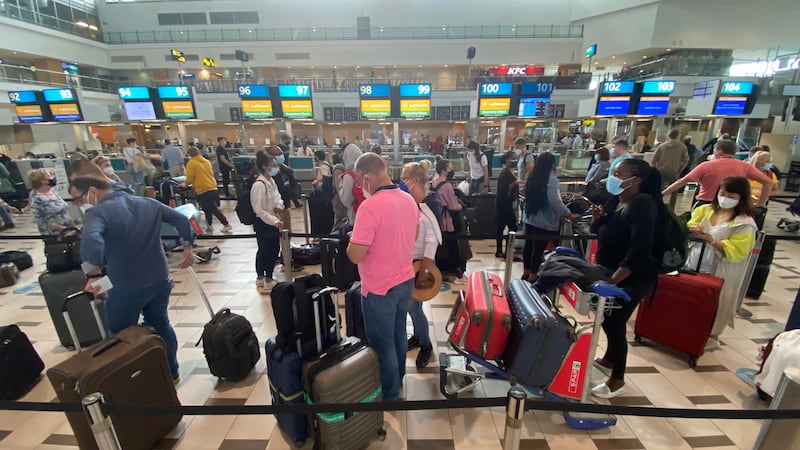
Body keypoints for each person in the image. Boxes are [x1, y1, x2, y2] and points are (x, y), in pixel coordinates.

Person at [71, 176, 194, 384]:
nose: (78, 204)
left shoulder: (97, 212)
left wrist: (93, 275)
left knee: (121, 334)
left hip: (123, 283)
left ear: (93, 190)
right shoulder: (148, 203)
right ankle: (171, 371)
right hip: (159, 277)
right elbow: (181, 219)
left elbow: (92, 240)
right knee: (162, 324)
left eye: (78, 198)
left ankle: (134, 380)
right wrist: (187, 247)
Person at [347, 153, 418, 401]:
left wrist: (350, 243)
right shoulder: (408, 200)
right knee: (399, 332)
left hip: (380, 289)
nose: (358, 186)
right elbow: (414, 234)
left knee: (382, 343)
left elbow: (356, 255)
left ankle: (388, 394)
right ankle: (396, 380)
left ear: (367, 177)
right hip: (405, 281)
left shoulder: (370, 207)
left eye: (358, 181)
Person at [590, 159, 662, 398]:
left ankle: (617, 380)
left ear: (636, 179)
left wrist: (614, 282)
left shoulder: (643, 205)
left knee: (614, 323)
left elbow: (639, 250)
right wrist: (600, 219)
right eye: (613, 172)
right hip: (614, 272)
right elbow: (603, 232)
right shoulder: (619, 200)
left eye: (619, 173)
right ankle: (609, 360)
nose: (613, 177)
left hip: (633, 277)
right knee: (607, 318)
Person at [685, 177, 757, 349]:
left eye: (730, 195)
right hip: (695, 261)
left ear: (741, 197)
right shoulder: (705, 210)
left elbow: (738, 250)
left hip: (720, 268)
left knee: (716, 303)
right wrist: (693, 230)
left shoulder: (744, 223)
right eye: (722, 193)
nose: (724, 198)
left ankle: (710, 336)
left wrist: (712, 240)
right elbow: (690, 224)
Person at [401, 160, 442, 368]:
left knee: (413, 307)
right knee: (413, 306)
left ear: (413, 181)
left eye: (403, 178)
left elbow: (432, 240)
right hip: (409, 264)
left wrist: (425, 269)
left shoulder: (429, 205)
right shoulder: (412, 203)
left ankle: (425, 344)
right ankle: (418, 336)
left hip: (421, 265)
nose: (400, 183)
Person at [662, 140, 774, 209]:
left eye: (714, 150)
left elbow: (682, 182)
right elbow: (768, 182)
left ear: (719, 151)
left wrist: (663, 193)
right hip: (733, 206)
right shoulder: (745, 166)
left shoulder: (705, 166)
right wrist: (760, 203)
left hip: (706, 204)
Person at [521, 152, 579, 282]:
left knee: (529, 246)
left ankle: (526, 272)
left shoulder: (532, 176)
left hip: (530, 218)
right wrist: (568, 213)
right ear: (552, 164)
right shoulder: (551, 180)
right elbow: (556, 201)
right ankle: (533, 276)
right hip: (544, 221)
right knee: (538, 249)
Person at [250, 151, 284, 291]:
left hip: (273, 220)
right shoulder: (259, 185)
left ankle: (269, 275)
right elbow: (258, 209)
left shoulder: (271, 181)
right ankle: (262, 276)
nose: (276, 167)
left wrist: (278, 206)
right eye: (273, 165)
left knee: (274, 249)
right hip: (263, 222)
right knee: (264, 250)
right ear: (264, 166)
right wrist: (273, 220)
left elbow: (278, 197)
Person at [431, 158, 467, 283]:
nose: (452, 171)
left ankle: (435, 268)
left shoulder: (434, 182)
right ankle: (457, 268)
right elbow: (453, 206)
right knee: (452, 245)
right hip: (448, 220)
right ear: (444, 171)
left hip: (437, 217)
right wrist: (461, 206)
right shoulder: (447, 185)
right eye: (450, 169)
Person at [184, 146, 232, 234]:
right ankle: (209, 225)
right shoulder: (207, 162)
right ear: (199, 152)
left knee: (212, 208)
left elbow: (189, 178)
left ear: (190, 155)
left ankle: (226, 224)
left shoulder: (191, 163)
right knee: (207, 208)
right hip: (212, 187)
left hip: (202, 189)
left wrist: (184, 185)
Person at [28, 168, 73, 235]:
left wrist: (72, 227)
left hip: (67, 230)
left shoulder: (53, 192)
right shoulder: (37, 198)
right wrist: (59, 228)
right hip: (54, 234)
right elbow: (37, 220)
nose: (53, 177)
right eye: (49, 175)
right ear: (43, 181)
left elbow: (64, 210)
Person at [651, 129, 688, 210]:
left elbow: (653, 160)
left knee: (659, 192)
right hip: (674, 172)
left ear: (668, 135)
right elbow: (686, 160)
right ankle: (671, 209)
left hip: (661, 171)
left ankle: (658, 207)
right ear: (678, 135)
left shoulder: (661, 146)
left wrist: (656, 170)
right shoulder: (682, 147)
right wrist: (679, 170)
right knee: (674, 192)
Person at [495, 152, 521, 258]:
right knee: (512, 227)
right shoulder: (505, 173)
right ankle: (507, 252)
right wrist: (514, 184)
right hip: (504, 204)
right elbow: (504, 189)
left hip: (506, 203)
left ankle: (501, 250)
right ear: (507, 161)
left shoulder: (509, 172)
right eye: (513, 159)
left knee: (502, 227)